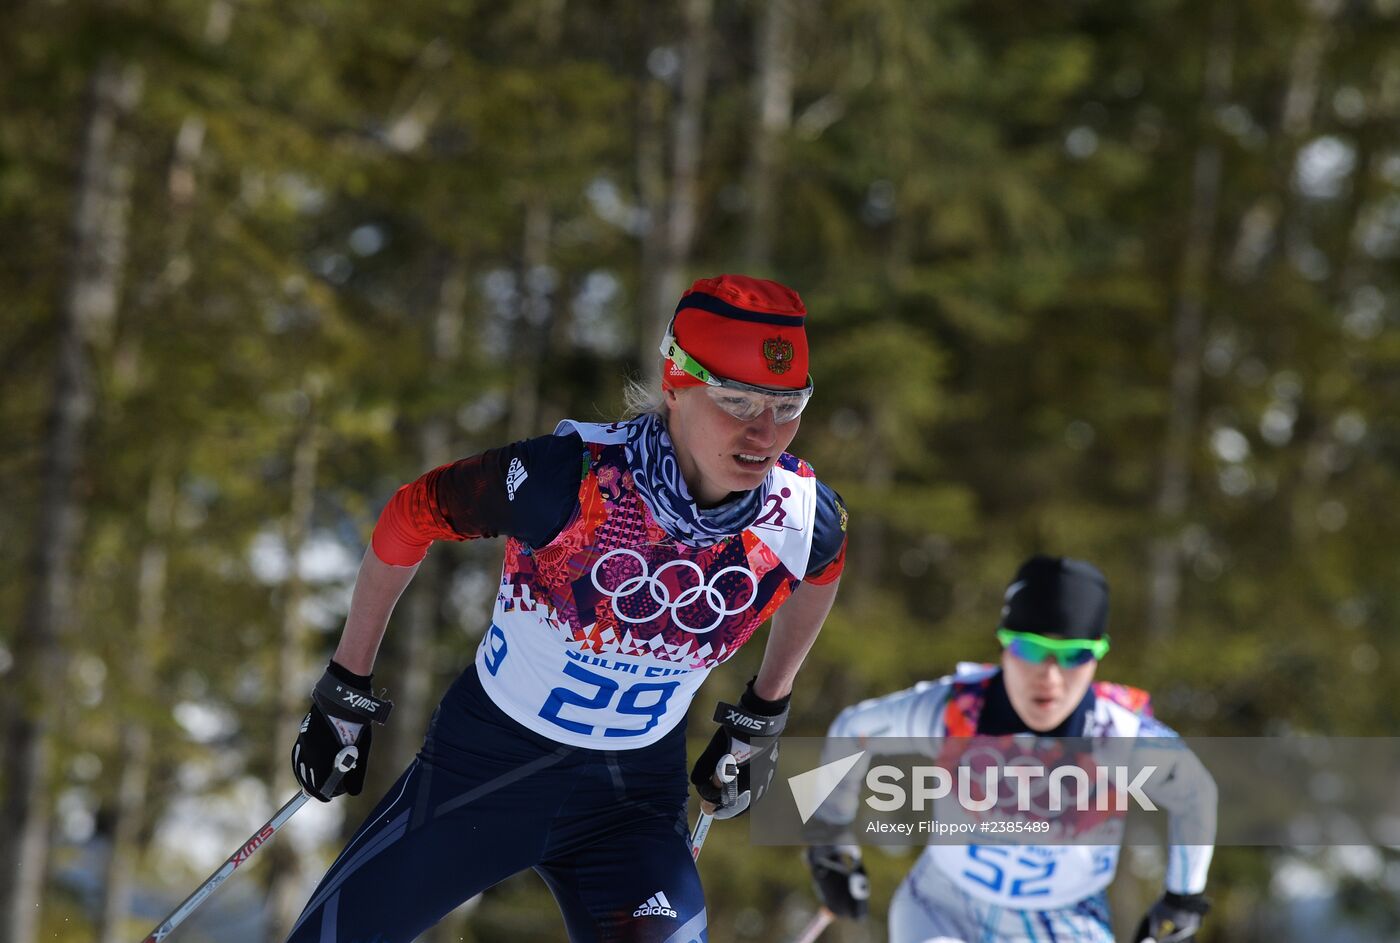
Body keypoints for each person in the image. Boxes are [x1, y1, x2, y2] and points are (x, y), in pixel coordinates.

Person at [285, 274, 849, 943]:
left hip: (631, 801)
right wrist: (345, 684)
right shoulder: (567, 479)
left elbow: (821, 569)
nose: (765, 432)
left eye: (789, 406)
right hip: (487, 771)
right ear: (676, 385)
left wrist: (766, 707)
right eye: (737, 400)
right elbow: (412, 515)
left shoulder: (802, 515)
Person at [804, 556, 1216, 943]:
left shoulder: (1122, 736)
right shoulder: (953, 712)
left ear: (1097, 657)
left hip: (1064, 922)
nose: (1049, 678)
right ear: (1004, 644)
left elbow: (1196, 794)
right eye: (1031, 648)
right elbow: (854, 730)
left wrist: (1182, 903)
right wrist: (831, 834)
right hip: (943, 908)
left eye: (1074, 655)